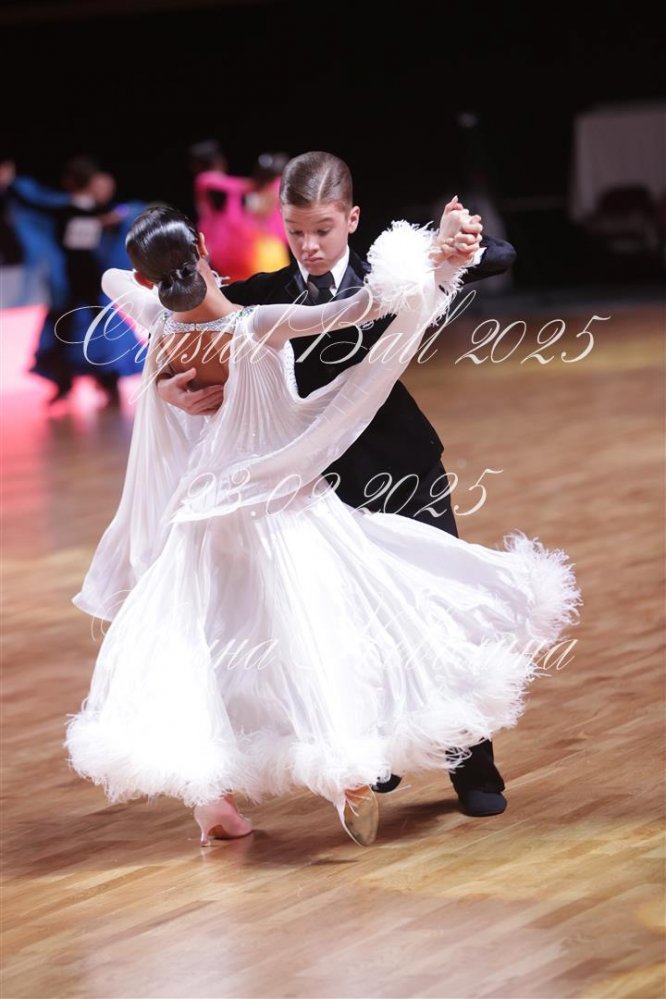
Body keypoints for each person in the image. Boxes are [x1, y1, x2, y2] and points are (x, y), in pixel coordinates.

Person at [65, 202, 581, 848]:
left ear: (149, 277)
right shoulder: (260, 321)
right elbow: (365, 308)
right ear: (202, 245)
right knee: (326, 635)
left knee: (212, 649)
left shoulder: (158, 321)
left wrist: (160, 333)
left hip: (204, 517)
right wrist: (433, 259)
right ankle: (349, 773)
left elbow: (113, 280)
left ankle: (213, 801)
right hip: (282, 511)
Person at [156, 151, 518, 817]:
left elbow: (495, 255)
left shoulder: (391, 269)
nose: (309, 245)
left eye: (323, 229)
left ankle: (473, 768)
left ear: (351, 218)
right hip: (317, 486)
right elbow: (189, 339)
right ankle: (373, 757)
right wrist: (171, 389)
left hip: (403, 468)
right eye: (296, 230)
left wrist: (459, 241)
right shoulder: (261, 293)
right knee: (348, 626)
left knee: (437, 614)